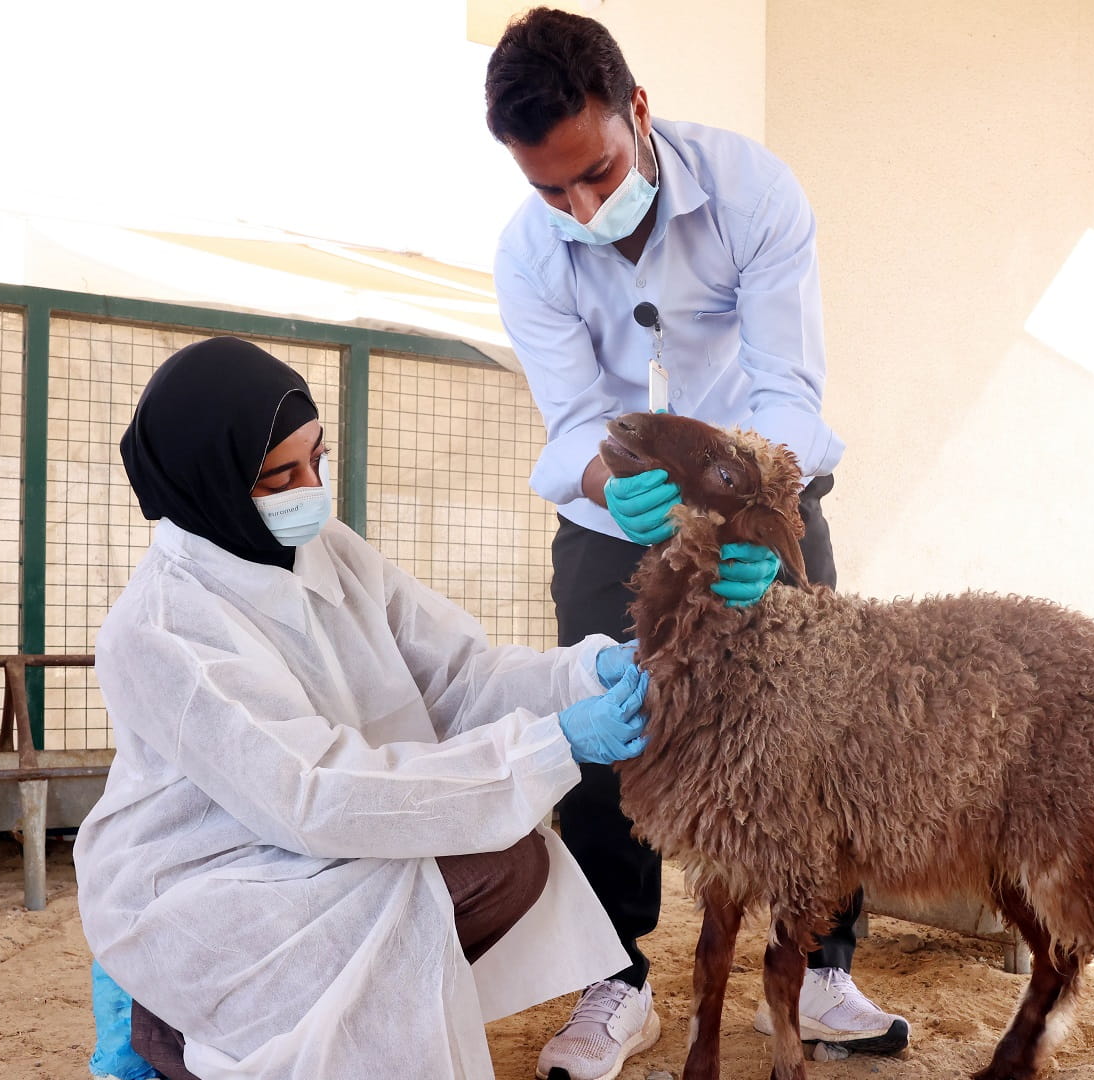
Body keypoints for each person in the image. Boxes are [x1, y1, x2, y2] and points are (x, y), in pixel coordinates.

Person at [485, 10, 909, 1078]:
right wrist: (606, 483)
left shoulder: (753, 192)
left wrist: (760, 510)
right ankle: (612, 982)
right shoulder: (528, 255)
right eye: (550, 190)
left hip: (764, 487)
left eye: (596, 172)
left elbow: (788, 389)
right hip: (608, 524)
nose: (580, 208)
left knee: (821, 727)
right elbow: (573, 417)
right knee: (604, 732)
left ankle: (820, 969)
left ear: (637, 109)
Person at [73, 336, 661, 1080]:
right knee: (431, 889)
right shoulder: (161, 628)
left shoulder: (331, 549)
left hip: (322, 830)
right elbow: (309, 792)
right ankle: (170, 1032)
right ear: (207, 483)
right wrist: (551, 747)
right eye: (279, 475)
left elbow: (458, 678)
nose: (310, 488)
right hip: (211, 872)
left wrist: (586, 672)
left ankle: (319, 1017)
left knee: (510, 858)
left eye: (316, 458)